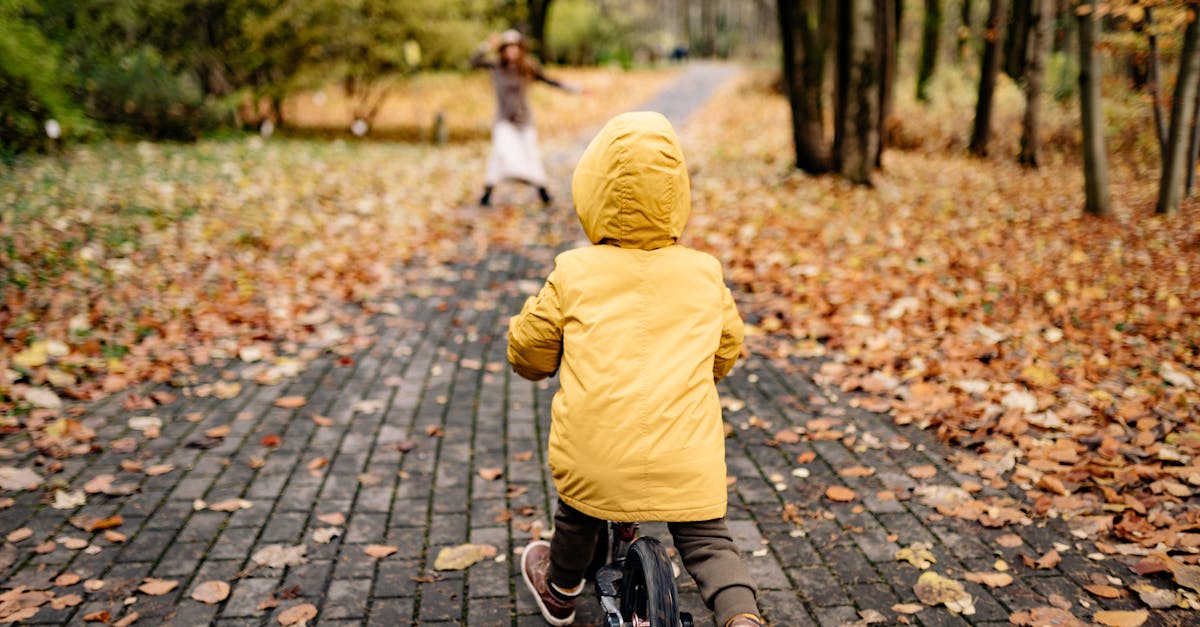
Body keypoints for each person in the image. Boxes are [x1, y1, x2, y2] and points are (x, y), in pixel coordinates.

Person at [507, 111, 764, 627]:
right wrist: (697, 373)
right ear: (677, 194)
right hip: (685, 456)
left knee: (578, 513)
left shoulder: (574, 272)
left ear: (591, 191)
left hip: (597, 452)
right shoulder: (703, 272)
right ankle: (743, 618)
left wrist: (544, 360)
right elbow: (727, 346)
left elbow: (529, 349)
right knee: (710, 540)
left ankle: (559, 590)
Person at [471, 29, 580, 207]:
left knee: (531, 155)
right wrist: (487, 46)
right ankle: (488, 193)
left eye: (516, 47)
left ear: (521, 49)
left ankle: (542, 191)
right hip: (503, 119)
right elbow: (474, 62)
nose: (512, 51)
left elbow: (549, 80)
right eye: (508, 48)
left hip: (524, 120)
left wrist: (573, 88)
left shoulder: (528, 67)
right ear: (503, 50)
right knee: (500, 152)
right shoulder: (496, 67)